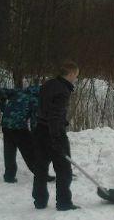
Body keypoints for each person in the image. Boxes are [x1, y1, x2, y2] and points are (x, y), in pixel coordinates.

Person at [32, 60, 80, 211]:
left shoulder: (48, 84)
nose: (76, 78)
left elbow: (42, 107)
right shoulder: (63, 91)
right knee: (64, 169)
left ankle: (39, 201)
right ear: (71, 73)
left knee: (40, 168)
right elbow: (54, 116)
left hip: (39, 130)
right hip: (53, 132)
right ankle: (64, 203)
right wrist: (56, 139)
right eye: (76, 75)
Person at [0, 85, 42, 183]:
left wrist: (3, 107)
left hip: (6, 124)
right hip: (19, 128)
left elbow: (2, 91)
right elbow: (34, 121)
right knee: (29, 152)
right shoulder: (35, 100)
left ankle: (9, 176)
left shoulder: (18, 92)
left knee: (9, 151)